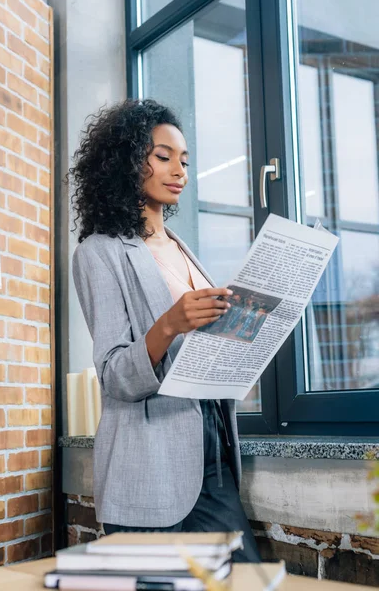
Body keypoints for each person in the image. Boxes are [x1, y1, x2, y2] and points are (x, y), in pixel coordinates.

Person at [70, 99, 260, 563]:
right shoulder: (99, 253)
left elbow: (197, 348)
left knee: (246, 578)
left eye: (185, 161)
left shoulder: (182, 248)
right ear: (126, 160)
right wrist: (171, 322)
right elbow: (115, 375)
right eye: (163, 156)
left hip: (213, 457)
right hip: (149, 463)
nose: (180, 170)